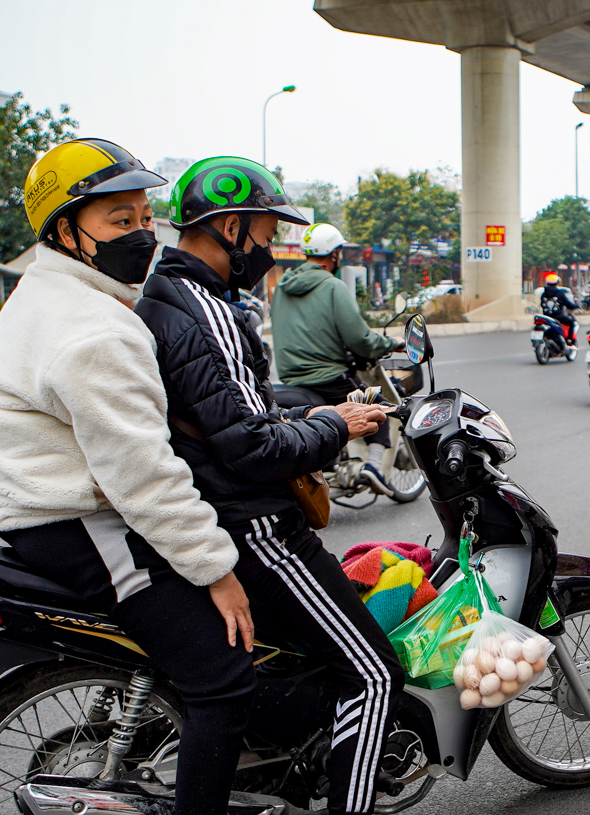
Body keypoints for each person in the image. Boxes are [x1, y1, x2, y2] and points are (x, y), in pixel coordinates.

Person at [134, 156, 401, 815]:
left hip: (216, 505)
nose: (270, 247)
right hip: (255, 523)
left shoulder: (170, 295)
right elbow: (252, 447)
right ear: (230, 228)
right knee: (374, 674)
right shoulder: (209, 309)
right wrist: (336, 425)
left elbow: (233, 408)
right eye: (266, 231)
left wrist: (309, 412)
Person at [0, 139, 258, 815]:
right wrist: (216, 569)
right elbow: (142, 475)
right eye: (119, 220)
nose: (142, 233)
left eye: (146, 217)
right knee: (223, 677)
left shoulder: (43, 292)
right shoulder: (94, 332)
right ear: (66, 231)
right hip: (79, 521)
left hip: (42, 510)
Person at [271, 222, 404, 495]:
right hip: (328, 378)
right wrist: (393, 343)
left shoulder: (282, 288)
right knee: (378, 405)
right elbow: (360, 339)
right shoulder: (333, 286)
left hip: (290, 380)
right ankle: (374, 467)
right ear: (334, 254)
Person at [539, 272, 580, 346]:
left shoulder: (544, 294)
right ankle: (569, 341)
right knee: (571, 323)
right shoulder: (560, 293)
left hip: (546, 317)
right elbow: (568, 304)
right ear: (557, 282)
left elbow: (542, 305)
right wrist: (576, 306)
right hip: (558, 317)